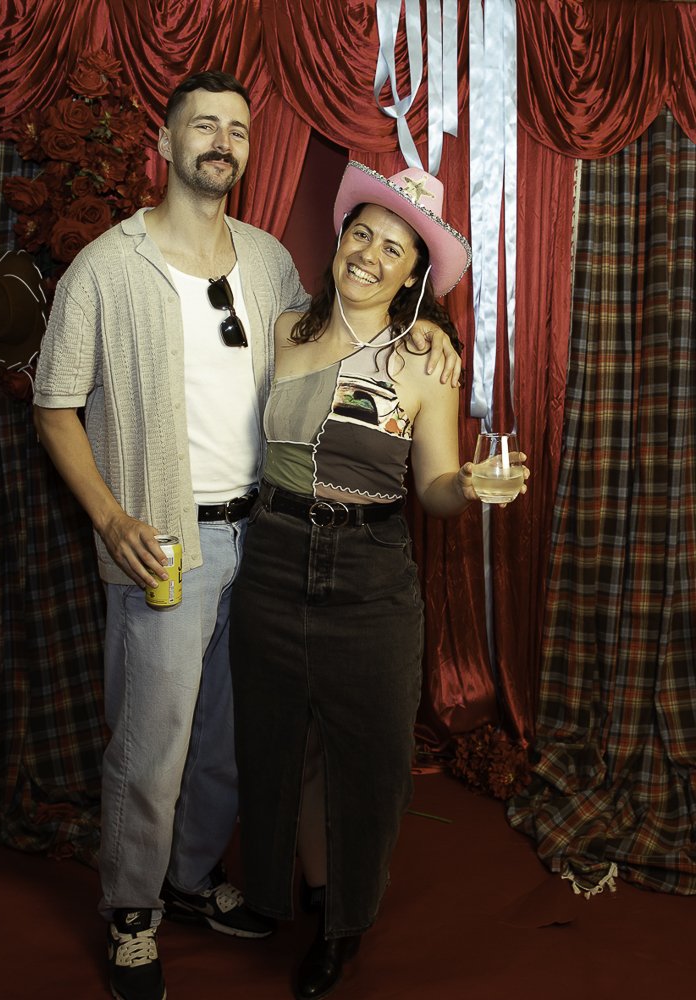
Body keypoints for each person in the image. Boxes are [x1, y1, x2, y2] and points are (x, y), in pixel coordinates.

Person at [33, 69, 463, 1000]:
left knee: (234, 743)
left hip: (264, 545)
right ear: (165, 140)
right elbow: (54, 404)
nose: (221, 140)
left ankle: (189, 880)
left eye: (237, 127)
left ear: (248, 150)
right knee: (151, 746)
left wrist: (426, 330)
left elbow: (340, 342)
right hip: (165, 546)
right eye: (204, 125)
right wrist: (111, 518)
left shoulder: (267, 263)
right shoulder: (106, 267)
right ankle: (132, 915)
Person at [229, 161, 530, 1000]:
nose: (369, 253)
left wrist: (470, 486)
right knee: (285, 743)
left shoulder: (427, 362)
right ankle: (311, 888)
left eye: (393, 248)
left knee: (368, 760)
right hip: (273, 559)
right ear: (339, 238)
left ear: (412, 276)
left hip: (368, 574)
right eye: (361, 233)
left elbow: (433, 492)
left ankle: (342, 925)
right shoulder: (284, 331)